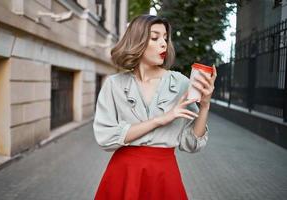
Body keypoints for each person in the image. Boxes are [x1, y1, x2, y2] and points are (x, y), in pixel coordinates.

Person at [93, 14, 217, 200]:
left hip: (164, 176)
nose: (163, 44)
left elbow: (190, 144)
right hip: (124, 174)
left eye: (165, 38)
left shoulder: (180, 83)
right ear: (138, 41)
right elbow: (106, 138)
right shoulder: (114, 84)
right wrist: (160, 120)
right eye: (155, 37)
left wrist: (205, 106)